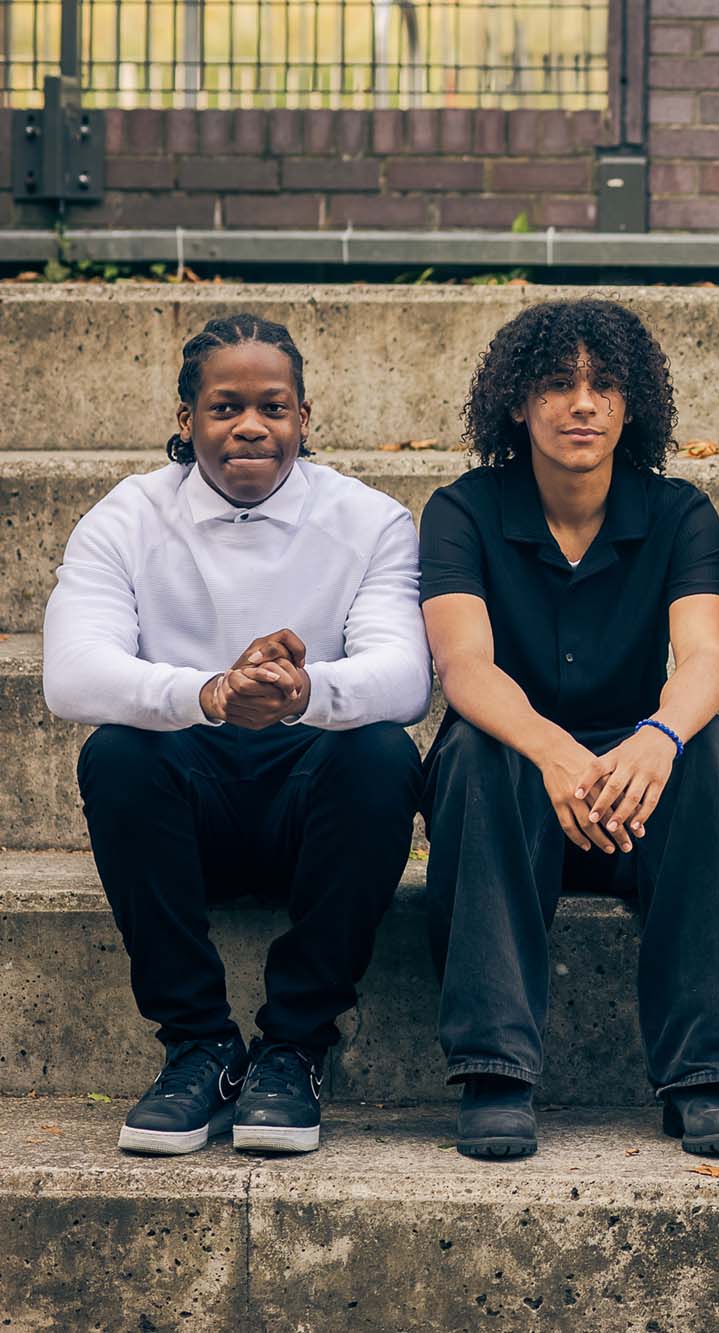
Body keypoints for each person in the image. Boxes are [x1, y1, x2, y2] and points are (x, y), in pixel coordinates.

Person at [44, 313, 429, 1156]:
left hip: (311, 818)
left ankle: (295, 1045)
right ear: (186, 421)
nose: (251, 424)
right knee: (117, 752)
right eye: (224, 407)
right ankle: (201, 1047)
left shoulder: (370, 521)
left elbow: (405, 680)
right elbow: (71, 673)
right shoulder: (127, 517)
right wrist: (210, 693)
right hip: (188, 810)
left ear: (303, 417)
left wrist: (301, 691)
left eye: (274, 406)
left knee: (380, 755)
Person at [420, 299, 719, 1160]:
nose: (582, 403)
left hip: (637, 800)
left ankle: (711, 1071)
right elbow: (464, 665)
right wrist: (553, 750)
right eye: (556, 384)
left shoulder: (680, 512)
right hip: (516, 786)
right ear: (515, 402)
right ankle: (496, 1069)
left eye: (604, 385)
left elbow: (702, 661)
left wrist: (656, 738)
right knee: (474, 748)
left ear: (632, 403)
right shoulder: (462, 511)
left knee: (710, 750)